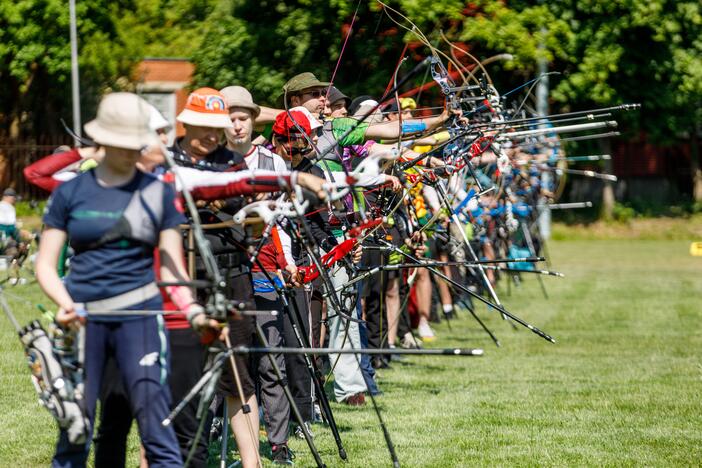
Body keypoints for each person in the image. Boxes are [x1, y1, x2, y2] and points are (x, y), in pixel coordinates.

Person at [35, 92, 219, 468]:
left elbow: (172, 269)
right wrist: (65, 304)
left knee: (157, 429)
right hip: (84, 319)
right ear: (102, 140)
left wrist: (196, 314)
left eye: (137, 143)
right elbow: (45, 263)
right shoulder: (70, 192)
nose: (131, 152)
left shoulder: (158, 192)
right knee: (77, 429)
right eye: (122, 144)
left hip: (141, 319)